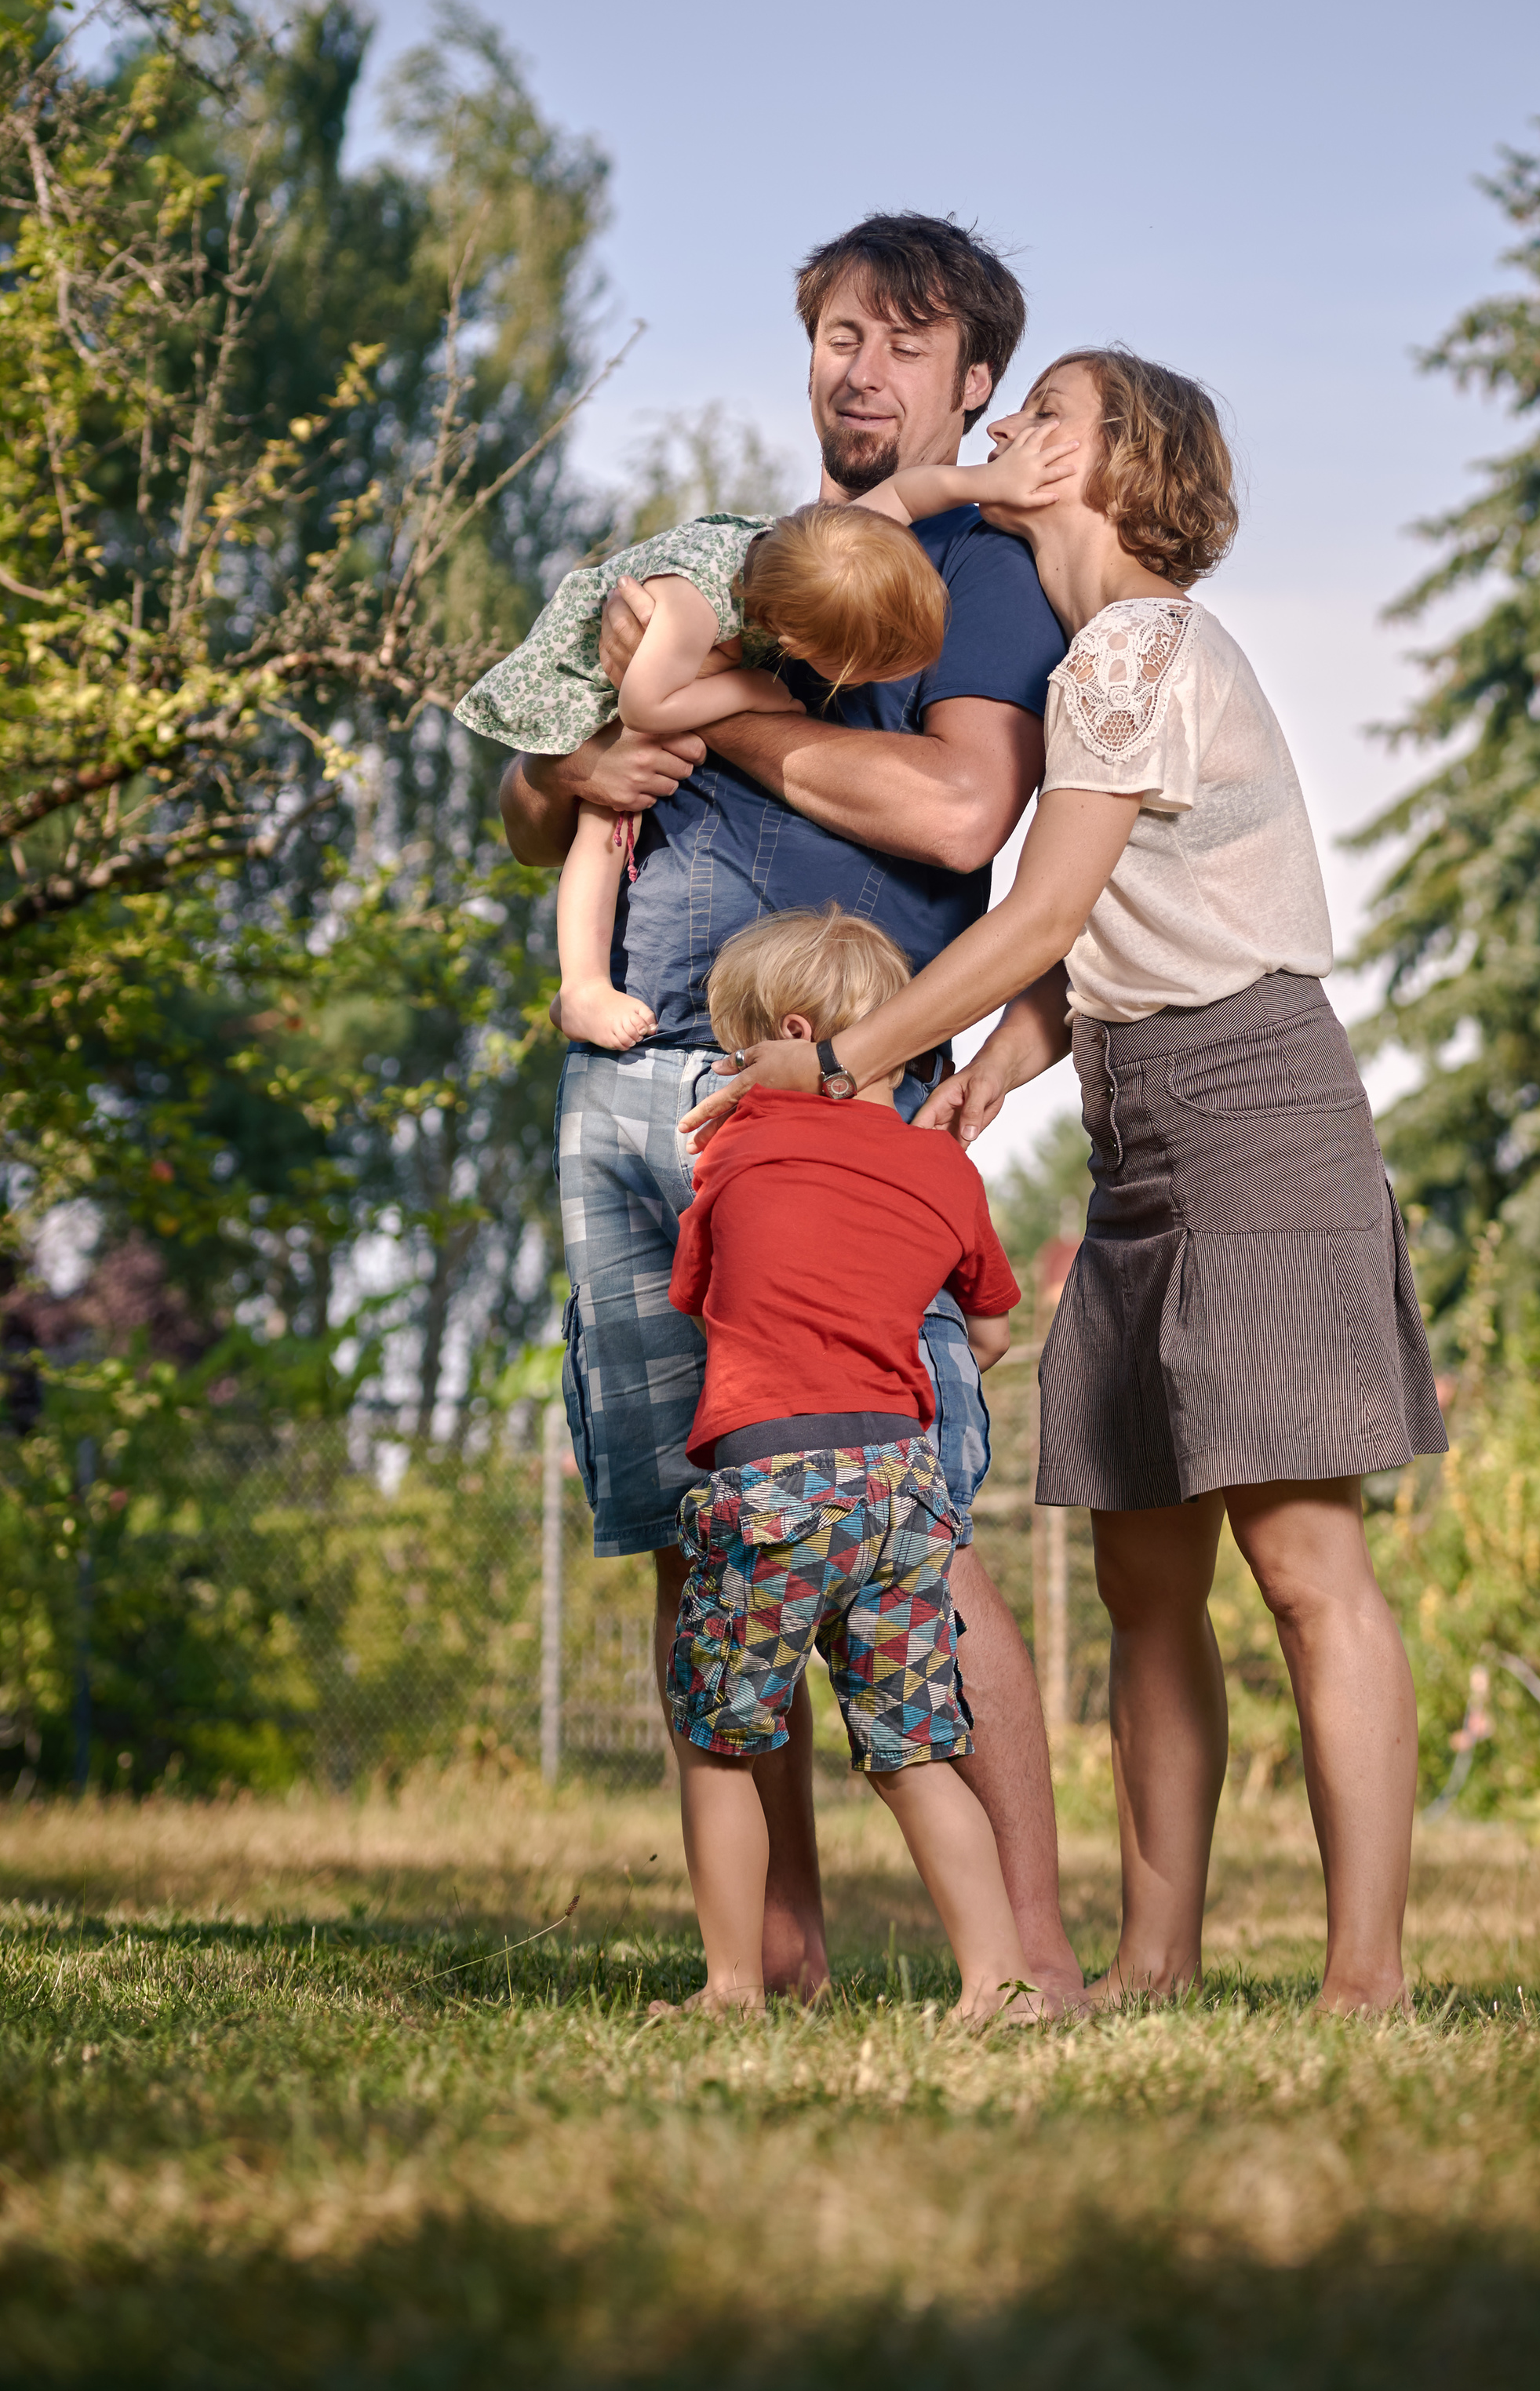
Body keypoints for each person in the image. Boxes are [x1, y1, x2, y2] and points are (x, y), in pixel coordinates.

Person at [683, 348, 1448, 2015]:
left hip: (1254, 1113)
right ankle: (1152, 1965)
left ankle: (1365, 1980)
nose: (1013, 429)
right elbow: (1085, 944)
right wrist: (989, 1074)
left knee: (1306, 1567)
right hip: (1139, 1120)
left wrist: (852, 1061)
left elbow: (1036, 915)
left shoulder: (1135, 646)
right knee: (1142, 1580)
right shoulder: (1103, 666)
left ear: (1122, 467)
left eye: (1049, 413)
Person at [490, 213, 1082, 2007]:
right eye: (837, 330)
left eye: (905, 341)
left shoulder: (975, 572)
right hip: (636, 1083)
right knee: (697, 1533)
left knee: (912, 1527)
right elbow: (547, 809)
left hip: (829, 1104)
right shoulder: (747, 562)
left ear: (973, 380)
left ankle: (1034, 1954)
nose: (861, 365)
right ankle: (773, 1952)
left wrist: (699, 707)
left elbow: (960, 816)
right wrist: (577, 761)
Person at [653, 903, 1049, 2022]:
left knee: (723, 1739)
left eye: (742, 1049)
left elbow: (699, 1295)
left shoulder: (735, 1147)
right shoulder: (944, 1170)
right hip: (901, 1490)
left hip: (775, 1480)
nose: (736, 1070)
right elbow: (988, 1329)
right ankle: (997, 1981)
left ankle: (733, 1985)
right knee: (914, 1748)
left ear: (791, 1028)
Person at [461, 424, 1072, 1050]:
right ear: (798, 648)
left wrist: (987, 482)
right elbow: (644, 703)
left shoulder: (829, 550)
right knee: (607, 815)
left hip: (668, 674)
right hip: (604, 686)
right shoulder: (695, 603)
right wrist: (746, 692)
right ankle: (583, 985)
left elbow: (910, 495)